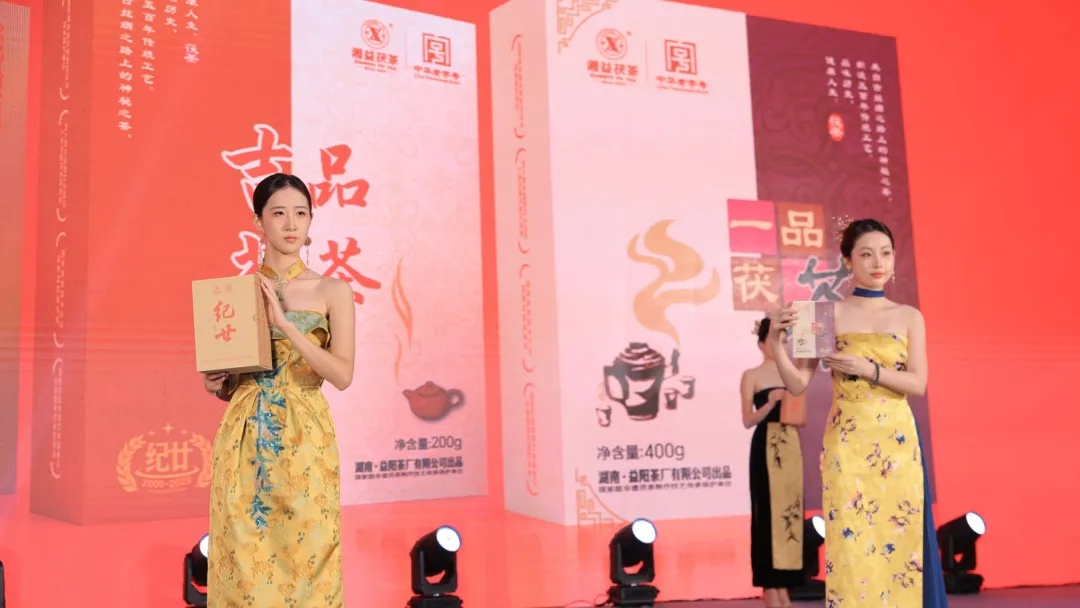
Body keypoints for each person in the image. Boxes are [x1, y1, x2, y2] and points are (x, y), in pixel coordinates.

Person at [767, 218, 947, 607]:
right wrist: (776, 343)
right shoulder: (821, 313)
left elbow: (918, 384)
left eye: (885, 253)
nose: (877, 262)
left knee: (900, 539)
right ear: (847, 261)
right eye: (866, 254)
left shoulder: (910, 316)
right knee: (851, 544)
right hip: (847, 444)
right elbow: (797, 384)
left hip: (897, 443)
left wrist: (869, 369)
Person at [201, 173, 355, 607]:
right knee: (242, 559)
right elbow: (233, 382)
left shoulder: (332, 290)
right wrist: (216, 383)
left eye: (301, 213)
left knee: (309, 555)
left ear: (310, 221)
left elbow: (342, 375)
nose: (291, 224)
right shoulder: (235, 293)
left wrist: (286, 325)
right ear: (258, 221)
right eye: (279, 213)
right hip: (244, 437)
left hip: (306, 436)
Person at [740, 317, 806, 608]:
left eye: (784, 339)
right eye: (775, 338)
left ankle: (785, 584)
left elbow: (801, 418)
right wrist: (770, 402)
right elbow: (747, 420)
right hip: (765, 445)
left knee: (789, 513)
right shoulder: (751, 375)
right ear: (761, 343)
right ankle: (770, 586)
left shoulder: (792, 373)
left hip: (790, 445)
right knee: (766, 514)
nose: (781, 344)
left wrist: (792, 401)